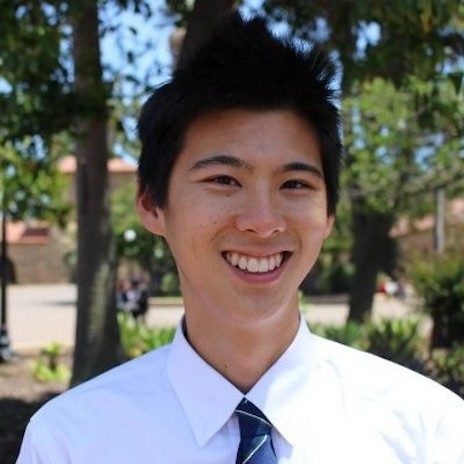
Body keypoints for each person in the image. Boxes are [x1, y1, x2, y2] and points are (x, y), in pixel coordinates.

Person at [16, 13, 464, 464]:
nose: (263, 222)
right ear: (152, 203)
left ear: (329, 213)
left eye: (295, 184)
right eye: (224, 180)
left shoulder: (428, 432)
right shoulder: (70, 442)